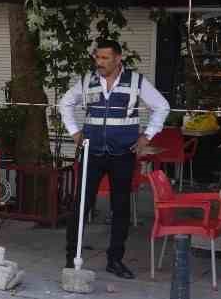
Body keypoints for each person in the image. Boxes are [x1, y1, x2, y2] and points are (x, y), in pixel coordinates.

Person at [58, 39, 170, 279]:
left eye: (105, 58)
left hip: (123, 153)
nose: (99, 62)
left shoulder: (136, 81)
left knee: (120, 208)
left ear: (118, 59)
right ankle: (71, 257)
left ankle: (115, 260)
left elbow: (162, 106)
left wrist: (146, 136)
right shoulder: (88, 80)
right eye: (97, 58)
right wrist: (74, 132)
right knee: (81, 205)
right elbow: (65, 103)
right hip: (92, 151)